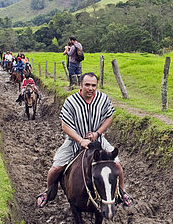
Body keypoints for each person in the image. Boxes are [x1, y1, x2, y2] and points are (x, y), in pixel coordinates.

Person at [36, 72, 133, 208]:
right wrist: (80, 140)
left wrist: (98, 133)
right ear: (80, 85)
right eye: (87, 85)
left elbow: (109, 117)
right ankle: (48, 191)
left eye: (93, 85)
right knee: (56, 167)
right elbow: (65, 125)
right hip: (74, 141)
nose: (90, 88)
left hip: (98, 141)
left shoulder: (103, 99)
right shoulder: (71, 101)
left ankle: (122, 192)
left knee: (117, 166)